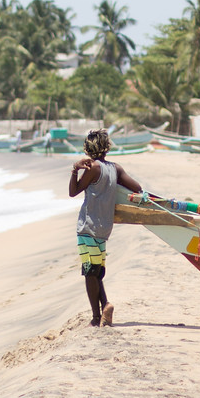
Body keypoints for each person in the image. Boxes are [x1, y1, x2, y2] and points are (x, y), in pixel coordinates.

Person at [68, 130, 142, 327]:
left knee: (89, 272)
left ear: (88, 148)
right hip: (104, 228)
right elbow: (137, 188)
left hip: (87, 226)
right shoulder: (115, 169)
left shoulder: (92, 168)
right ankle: (105, 307)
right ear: (107, 147)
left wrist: (75, 169)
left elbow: (73, 192)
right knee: (96, 271)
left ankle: (96, 316)